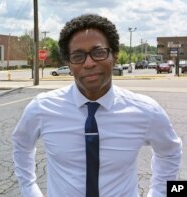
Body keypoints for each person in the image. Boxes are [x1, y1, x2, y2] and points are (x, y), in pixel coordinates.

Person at [12, 14, 182, 197]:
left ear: (114, 56)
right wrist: (29, 190)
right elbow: (21, 145)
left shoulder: (146, 111)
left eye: (98, 52)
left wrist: (159, 192)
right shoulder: (41, 108)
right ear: (69, 63)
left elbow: (170, 152)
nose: (89, 63)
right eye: (78, 56)